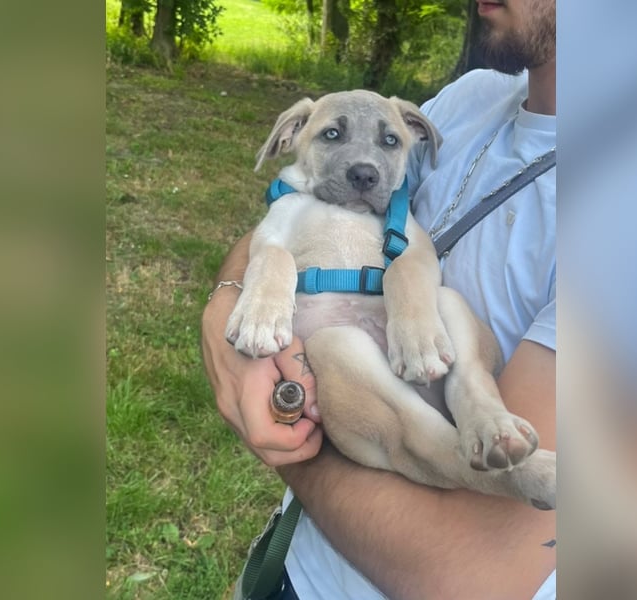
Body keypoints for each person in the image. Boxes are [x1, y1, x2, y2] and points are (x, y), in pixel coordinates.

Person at [201, 0, 557, 597]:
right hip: (300, 557)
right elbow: (286, 229)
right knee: (359, 338)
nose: (366, 163)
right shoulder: (472, 97)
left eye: (387, 143)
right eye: (335, 137)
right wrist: (227, 309)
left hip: (384, 520)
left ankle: (487, 425)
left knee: (439, 320)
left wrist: (295, 432)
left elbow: (467, 575)